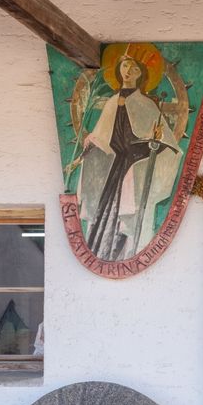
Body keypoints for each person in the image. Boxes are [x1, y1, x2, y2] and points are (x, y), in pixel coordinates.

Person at [77, 54, 181, 261]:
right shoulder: (111, 103)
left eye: (134, 68)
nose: (128, 71)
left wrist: (155, 144)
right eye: (125, 65)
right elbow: (102, 137)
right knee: (106, 213)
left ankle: (129, 253)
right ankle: (102, 254)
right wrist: (92, 145)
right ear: (118, 70)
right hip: (112, 166)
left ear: (141, 74)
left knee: (130, 212)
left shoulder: (146, 104)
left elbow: (169, 145)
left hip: (135, 163)